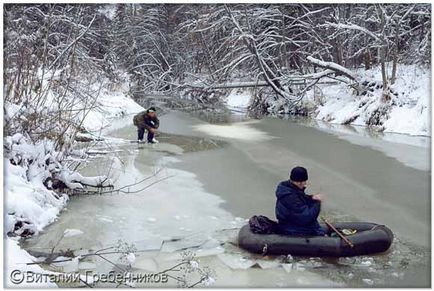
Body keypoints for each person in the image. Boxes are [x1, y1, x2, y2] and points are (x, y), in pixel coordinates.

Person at [275, 166, 325, 236]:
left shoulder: (289, 189)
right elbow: (307, 218)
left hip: (292, 223)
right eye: (304, 182)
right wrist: (317, 203)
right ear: (300, 182)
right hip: (291, 228)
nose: (305, 184)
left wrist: (311, 198)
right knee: (319, 232)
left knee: (320, 230)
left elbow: (300, 199)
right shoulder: (289, 196)